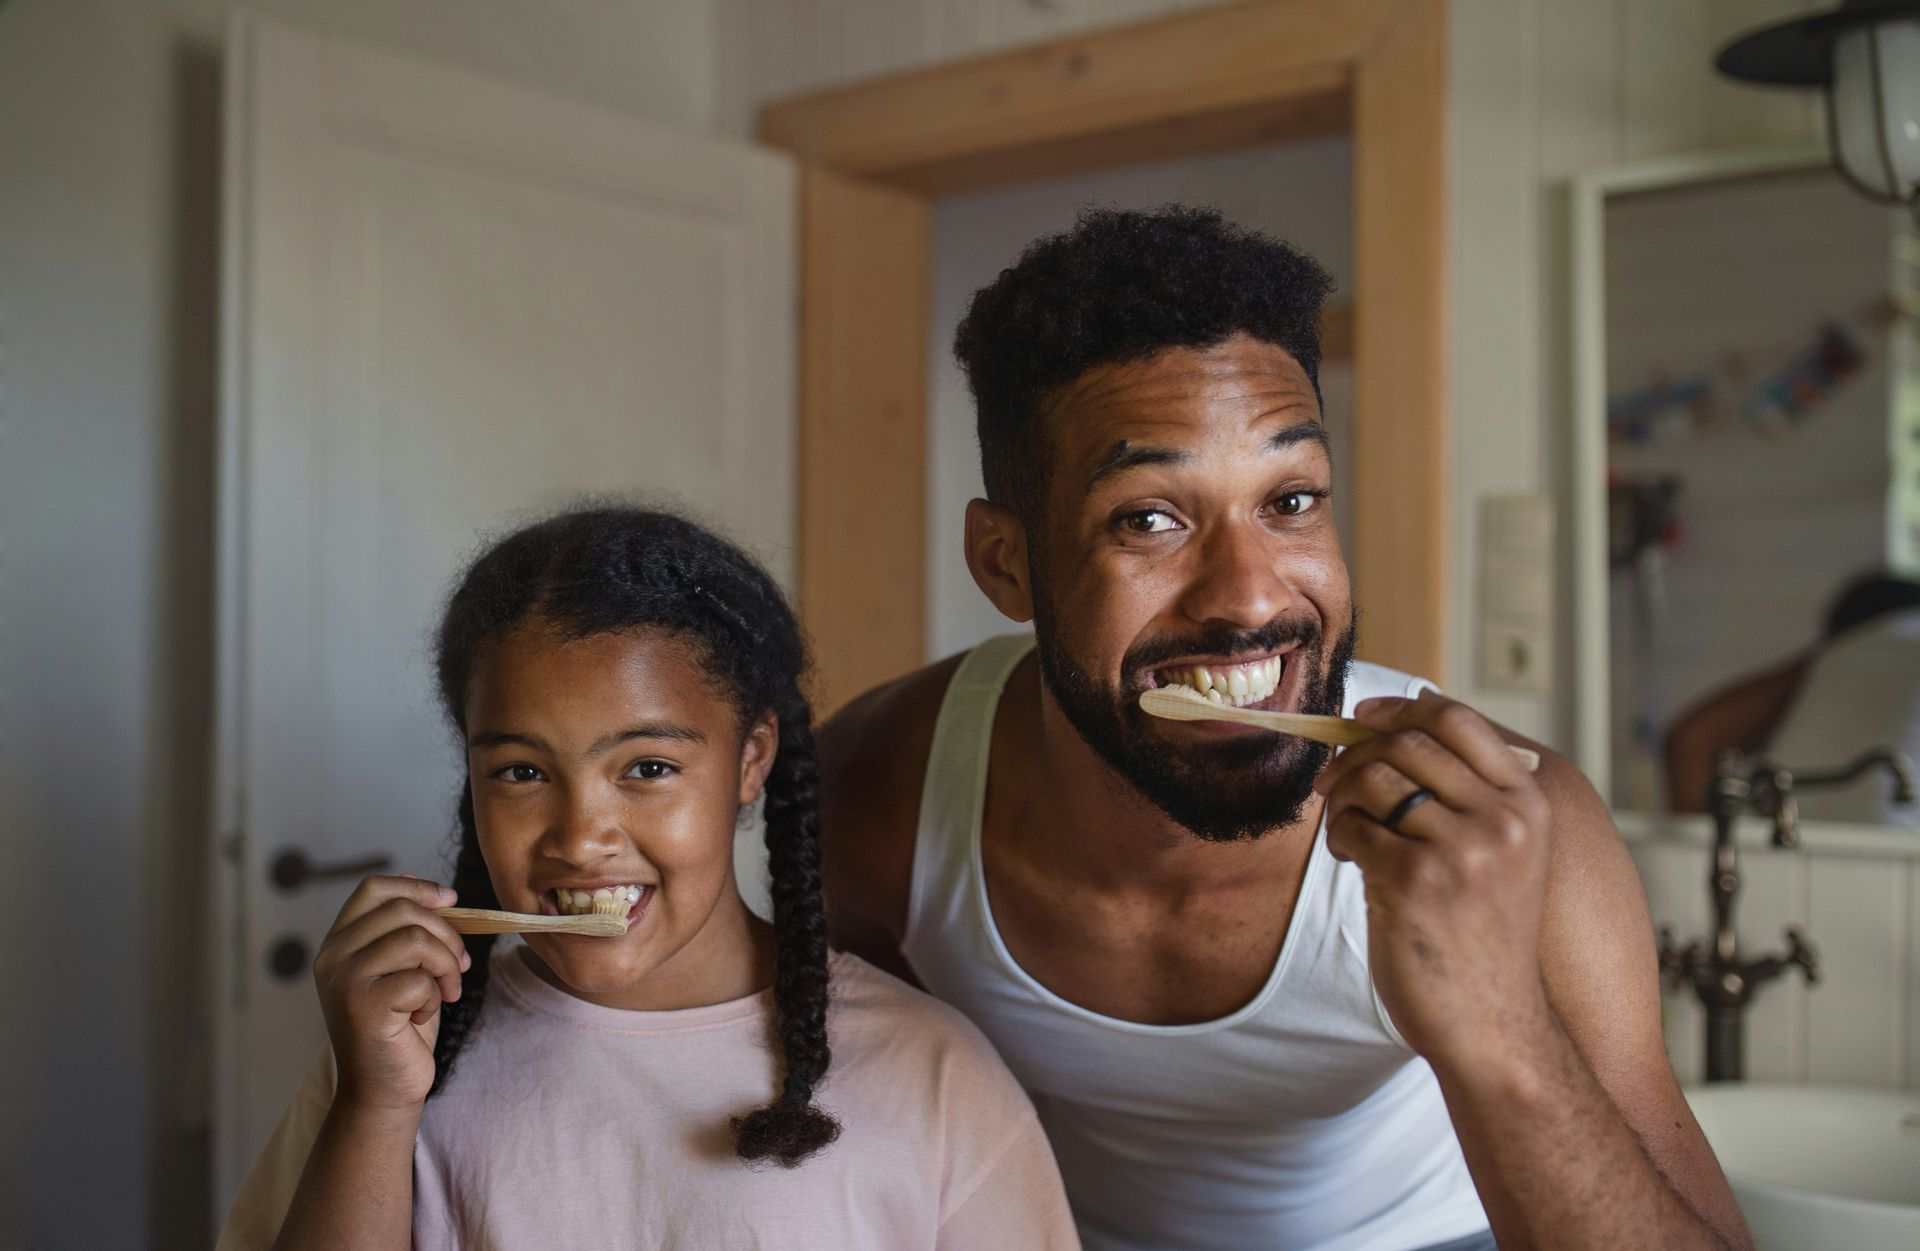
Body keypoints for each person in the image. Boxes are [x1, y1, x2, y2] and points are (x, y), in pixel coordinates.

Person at [818, 208, 1751, 1250]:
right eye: (1149, 519)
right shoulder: (877, 786)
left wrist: (1499, 1025)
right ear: (1005, 563)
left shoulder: (1525, 835)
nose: (1251, 596)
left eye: (1292, 498)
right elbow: (866, 1130)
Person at [218, 506, 1078, 1250]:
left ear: (751, 760)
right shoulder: (394, 1061)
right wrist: (374, 1106)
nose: (581, 837)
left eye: (648, 768)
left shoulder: (932, 1077)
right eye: (521, 772)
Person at [1664, 572, 1920, 820]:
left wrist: (1700, 841)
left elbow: (1690, 738)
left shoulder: (1844, 652)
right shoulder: (1867, 646)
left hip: (1776, 831)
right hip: (1893, 839)